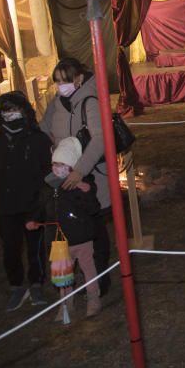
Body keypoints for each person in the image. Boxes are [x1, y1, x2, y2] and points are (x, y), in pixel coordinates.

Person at [41, 58, 112, 297]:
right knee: (74, 230)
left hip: (91, 179)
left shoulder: (91, 102)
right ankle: (84, 278)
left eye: (66, 80)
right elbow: (44, 130)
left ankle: (99, 280)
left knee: (96, 231)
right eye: (57, 81)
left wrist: (80, 170)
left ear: (79, 78)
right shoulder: (55, 105)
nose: (61, 85)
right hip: (65, 179)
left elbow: (100, 139)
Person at [0, 91, 51, 311]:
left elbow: (45, 172)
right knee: (10, 247)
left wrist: (39, 204)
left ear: (24, 111)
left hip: (31, 204)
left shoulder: (37, 139)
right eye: (6, 111)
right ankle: (16, 285)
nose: (11, 115)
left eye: (14, 109)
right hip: (5, 206)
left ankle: (36, 283)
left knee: (35, 247)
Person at [27, 136, 102, 319]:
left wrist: (86, 193)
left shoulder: (83, 184)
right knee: (64, 275)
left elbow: (94, 209)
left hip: (82, 238)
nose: (57, 168)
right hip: (60, 242)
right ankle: (66, 304)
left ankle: (93, 298)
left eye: (63, 164)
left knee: (88, 269)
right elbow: (40, 205)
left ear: (72, 166)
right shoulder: (49, 186)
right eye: (56, 163)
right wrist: (33, 219)